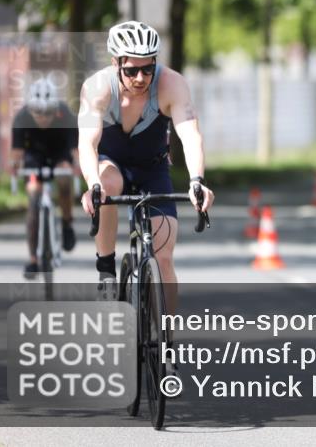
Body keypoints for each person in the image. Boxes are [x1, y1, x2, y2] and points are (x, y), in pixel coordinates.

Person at [78, 21, 215, 308]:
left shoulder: (171, 84)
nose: (140, 78)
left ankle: (166, 343)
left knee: (164, 258)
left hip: (153, 169)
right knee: (108, 185)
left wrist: (197, 181)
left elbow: (190, 135)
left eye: (147, 69)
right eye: (131, 71)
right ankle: (105, 269)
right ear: (115, 63)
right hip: (111, 164)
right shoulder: (97, 88)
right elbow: (88, 143)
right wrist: (92, 185)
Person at [10, 78, 79, 279]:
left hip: (60, 155)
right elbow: (16, 153)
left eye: (48, 112)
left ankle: (67, 224)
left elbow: (75, 150)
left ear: (55, 108)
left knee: (64, 179)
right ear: (30, 109)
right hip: (34, 158)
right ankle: (33, 258)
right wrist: (14, 168)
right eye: (38, 112)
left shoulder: (65, 114)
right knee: (33, 198)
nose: (43, 117)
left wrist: (78, 166)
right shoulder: (21, 118)